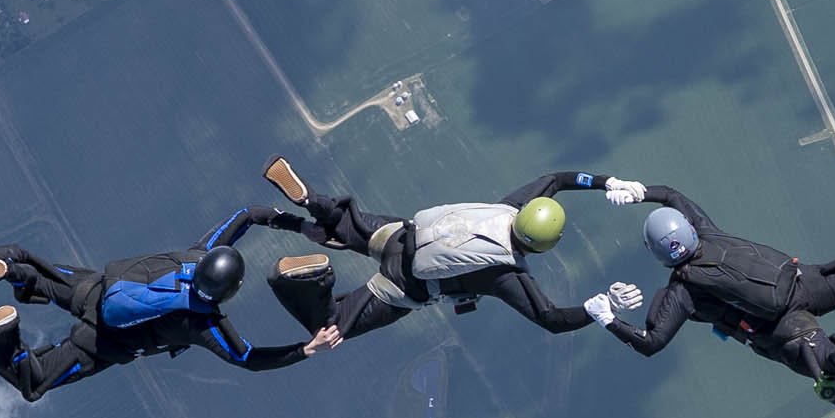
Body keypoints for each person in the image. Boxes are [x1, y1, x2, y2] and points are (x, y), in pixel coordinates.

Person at [589, 185, 835, 400]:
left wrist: (607, 318)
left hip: (780, 327)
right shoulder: (709, 232)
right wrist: (640, 192)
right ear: (688, 228)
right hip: (805, 280)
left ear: (656, 254)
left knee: (823, 365)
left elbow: (651, 341)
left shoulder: (681, 291)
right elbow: (674, 196)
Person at [0, 208, 339, 400]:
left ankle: (11, 266)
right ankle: (1, 335)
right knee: (33, 383)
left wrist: (297, 224)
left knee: (37, 272)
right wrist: (306, 349)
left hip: (94, 287)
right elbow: (248, 358)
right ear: (228, 292)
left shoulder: (194, 253)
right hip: (102, 342)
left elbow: (246, 215)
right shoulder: (205, 325)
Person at [257, 156, 633, 340]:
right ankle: (318, 279)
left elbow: (557, 179)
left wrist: (607, 182)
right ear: (547, 246)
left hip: (399, 234)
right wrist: (597, 310)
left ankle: (311, 203)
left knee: (342, 223)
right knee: (330, 327)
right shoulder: (506, 275)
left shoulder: (511, 207)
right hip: (402, 286)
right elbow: (551, 319)